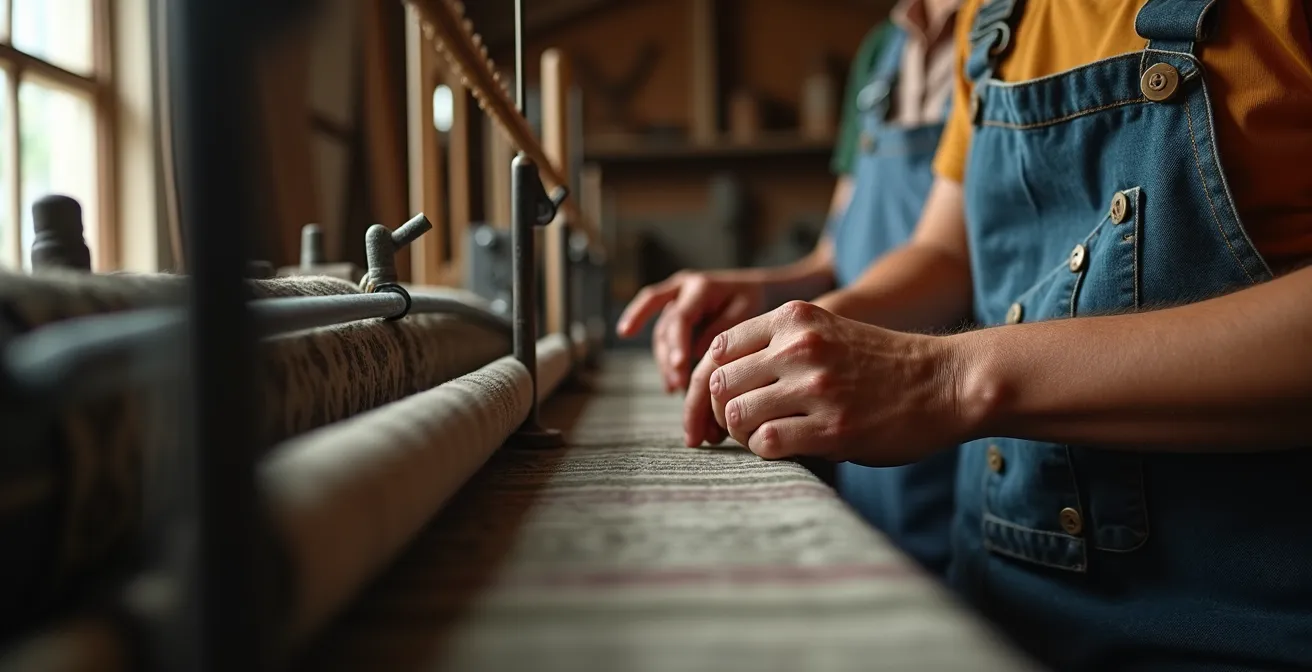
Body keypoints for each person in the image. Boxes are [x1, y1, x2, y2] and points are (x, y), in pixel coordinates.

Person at [683, 0, 1312, 669]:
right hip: (987, 609)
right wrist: (802, 333)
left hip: (1239, 629)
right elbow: (946, 254)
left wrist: (949, 380)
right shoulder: (994, 16)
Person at [615, 1, 962, 576]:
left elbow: (950, 256)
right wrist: (765, 291)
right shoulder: (883, 53)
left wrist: (810, 326)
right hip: (844, 394)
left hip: (940, 401)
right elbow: (835, 250)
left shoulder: (1001, 33)